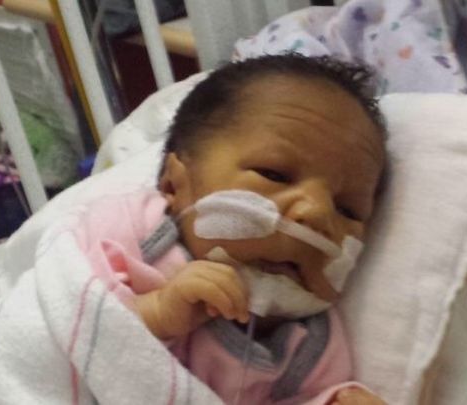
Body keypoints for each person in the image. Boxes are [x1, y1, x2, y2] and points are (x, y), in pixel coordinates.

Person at [85, 54, 387, 404]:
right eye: (274, 174)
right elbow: (65, 312)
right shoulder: (134, 231)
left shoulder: (311, 343)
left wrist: (335, 399)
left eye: (347, 209)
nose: (317, 213)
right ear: (173, 184)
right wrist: (156, 313)